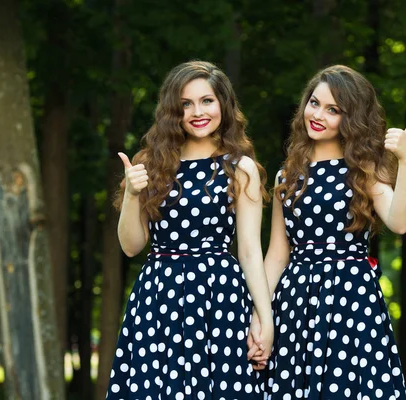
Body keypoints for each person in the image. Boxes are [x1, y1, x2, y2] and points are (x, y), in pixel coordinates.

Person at [107, 60, 273, 399]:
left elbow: (250, 252)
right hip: (159, 297)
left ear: (223, 105)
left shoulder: (240, 169)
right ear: (172, 110)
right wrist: (132, 196)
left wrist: (264, 318)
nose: (198, 111)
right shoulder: (150, 165)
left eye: (207, 100)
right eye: (186, 103)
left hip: (220, 297)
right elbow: (131, 246)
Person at [248, 65, 406, 399]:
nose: (318, 115)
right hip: (295, 302)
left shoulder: (363, 170)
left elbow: (399, 222)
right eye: (314, 103)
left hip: (351, 300)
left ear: (351, 118)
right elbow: (277, 256)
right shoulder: (287, 175)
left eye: (333, 110)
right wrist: (260, 315)